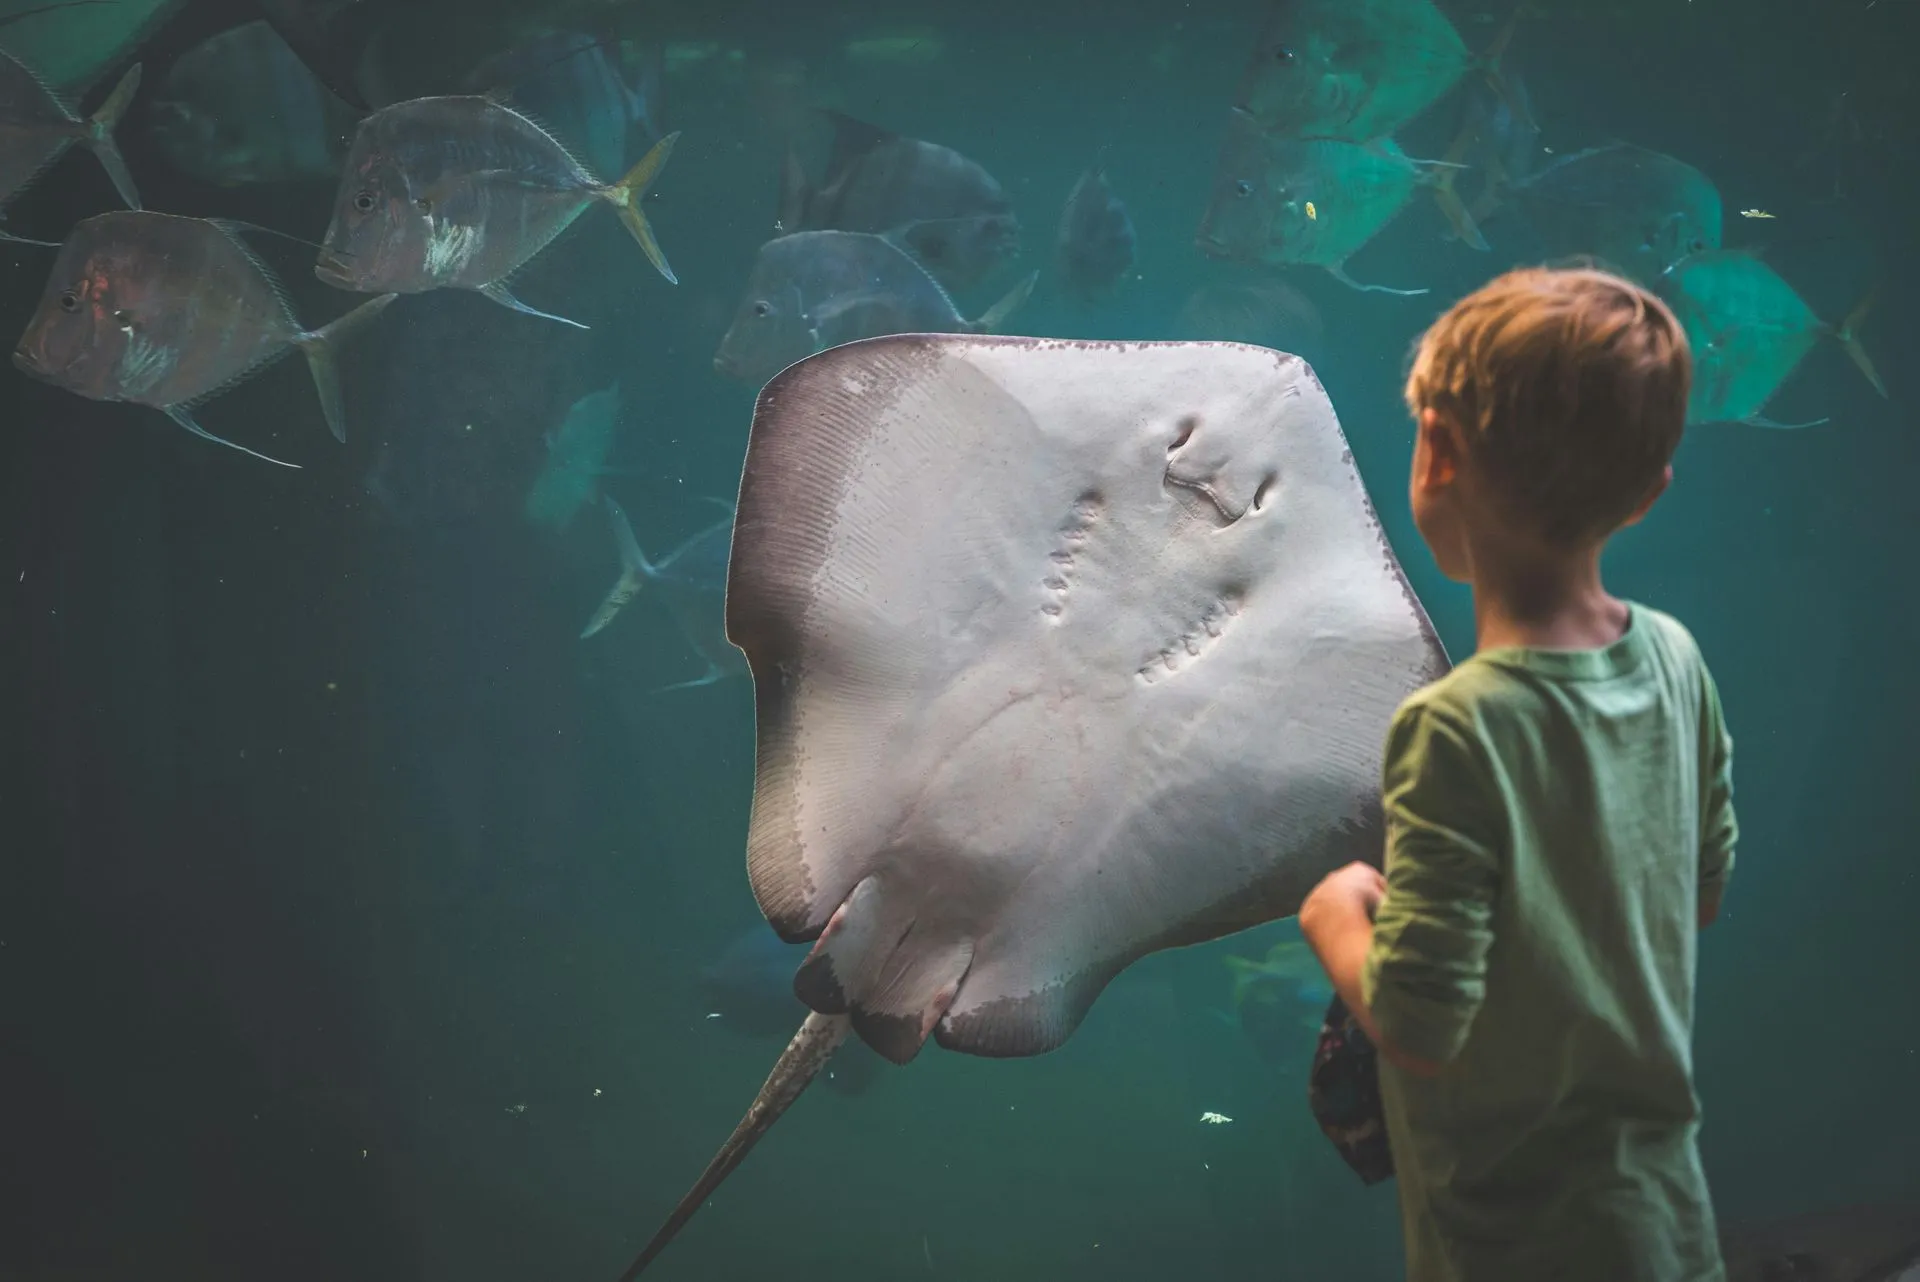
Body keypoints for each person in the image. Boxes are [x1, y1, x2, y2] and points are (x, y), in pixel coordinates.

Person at [1300, 266, 1738, 1282]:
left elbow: (1417, 1024)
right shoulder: (1677, 659)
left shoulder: (1453, 729)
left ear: (1436, 456)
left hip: (1507, 1233)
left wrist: (1334, 912)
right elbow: (1699, 894)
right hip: (1660, 1207)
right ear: (1651, 490)